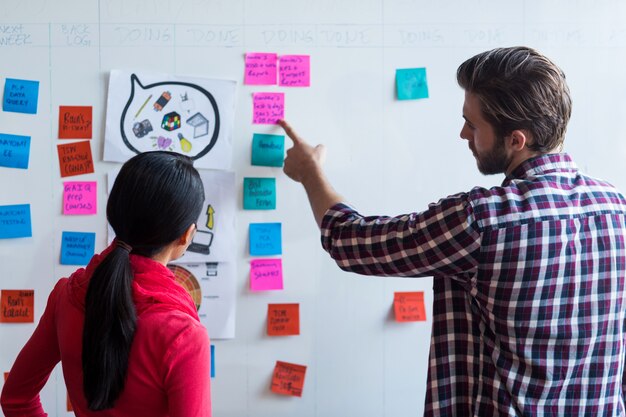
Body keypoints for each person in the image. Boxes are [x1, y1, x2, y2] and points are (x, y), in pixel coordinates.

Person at [278, 46, 626, 416]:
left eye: (473, 125)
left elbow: (349, 242)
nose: (463, 134)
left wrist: (310, 173)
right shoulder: (617, 208)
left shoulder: (481, 220)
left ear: (516, 139)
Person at [1, 151, 212, 417]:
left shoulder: (66, 294)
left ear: (115, 212)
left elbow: (15, 399)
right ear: (187, 234)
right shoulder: (183, 335)